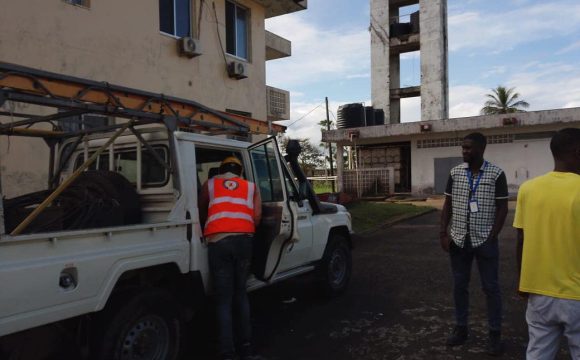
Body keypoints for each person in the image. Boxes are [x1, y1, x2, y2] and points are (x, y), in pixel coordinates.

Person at [440, 132, 509, 355]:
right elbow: (447, 204)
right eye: (463, 148)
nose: (464, 152)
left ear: (481, 149)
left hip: (484, 240)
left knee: (491, 288)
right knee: (460, 286)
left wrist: (493, 235)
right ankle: (461, 330)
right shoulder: (455, 172)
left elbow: (502, 208)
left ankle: (494, 335)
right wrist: (443, 232)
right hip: (459, 240)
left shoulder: (496, 174)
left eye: (468, 148)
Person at [513, 128, 580, 359]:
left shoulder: (528, 189)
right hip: (576, 295)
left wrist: (522, 281)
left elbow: (521, 238)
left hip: (538, 292)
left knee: (538, 353)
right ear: (577, 152)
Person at [199, 156, 262, 360]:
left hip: (218, 241)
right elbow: (257, 217)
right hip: (244, 242)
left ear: (220, 170)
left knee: (223, 300)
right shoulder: (251, 187)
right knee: (241, 294)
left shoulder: (209, 184)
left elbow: (201, 209)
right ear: (240, 171)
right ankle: (246, 347)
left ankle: (227, 352)